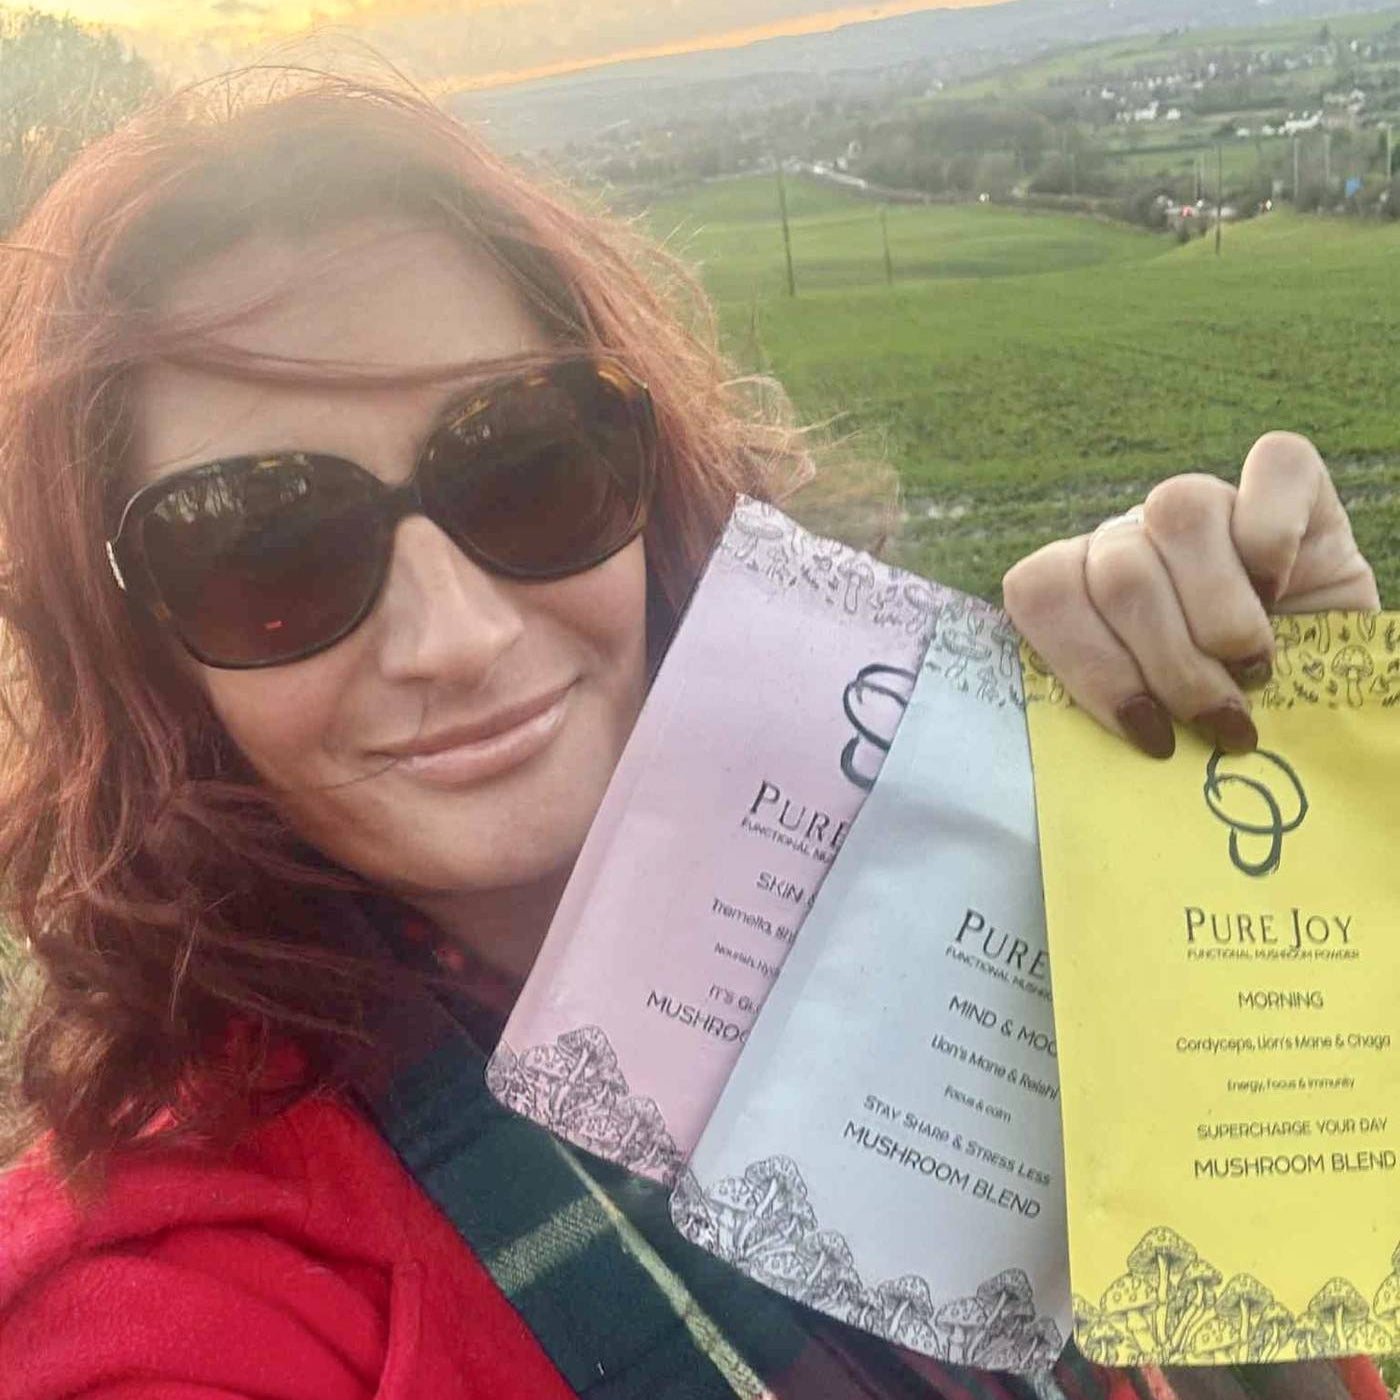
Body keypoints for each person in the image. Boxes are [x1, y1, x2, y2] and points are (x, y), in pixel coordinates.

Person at [0, 72, 1385, 1400]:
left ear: (641, 469)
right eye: (268, 551)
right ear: (135, 653)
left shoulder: (965, 864)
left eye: (520, 463)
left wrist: (1287, 840)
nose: (456, 636)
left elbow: (1274, 1322)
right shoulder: (177, 1303)